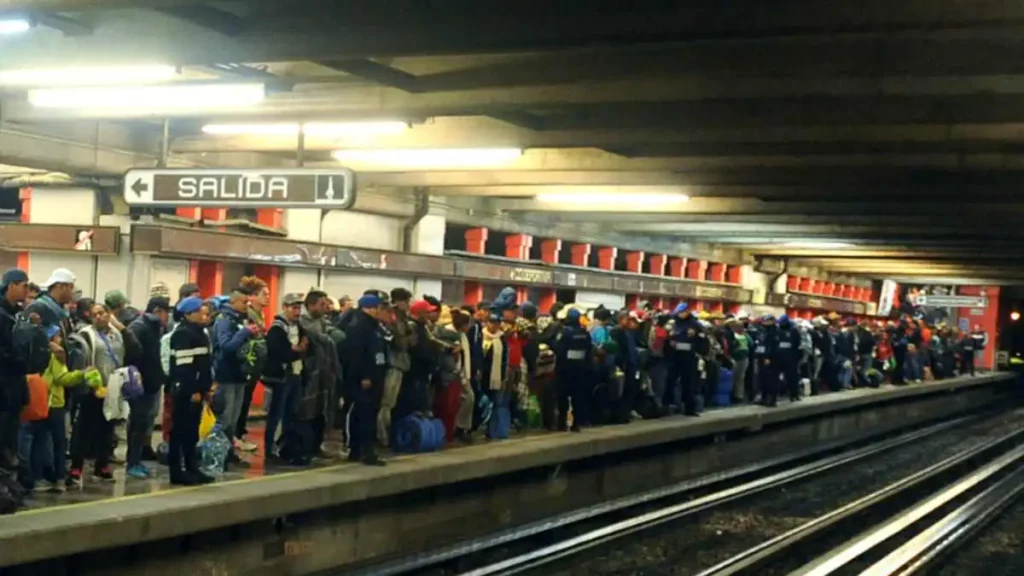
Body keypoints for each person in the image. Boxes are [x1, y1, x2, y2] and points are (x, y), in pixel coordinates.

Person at [20, 325, 100, 493]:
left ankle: (35, 477)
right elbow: (62, 378)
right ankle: (58, 478)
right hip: (54, 404)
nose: (60, 340)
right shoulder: (55, 357)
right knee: (58, 443)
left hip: (37, 404)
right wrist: (82, 373)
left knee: (38, 443)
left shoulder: (34, 354)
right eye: (57, 336)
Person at [69, 302, 141, 485]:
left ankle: (102, 466)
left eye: (102, 313)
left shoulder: (115, 334)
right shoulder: (86, 334)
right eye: (95, 314)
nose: (99, 317)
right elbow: (83, 360)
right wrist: (92, 384)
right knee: (84, 429)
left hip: (112, 388)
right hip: (92, 388)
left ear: (110, 314)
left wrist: (122, 329)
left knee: (107, 428)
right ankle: (76, 467)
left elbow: (134, 350)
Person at [167, 297, 215, 485]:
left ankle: (192, 468)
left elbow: (203, 365)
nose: (203, 315)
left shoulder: (199, 332)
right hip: (186, 392)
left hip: (197, 391)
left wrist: (206, 388)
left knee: (191, 433)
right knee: (180, 431)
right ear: (188, 314)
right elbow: (183, 368)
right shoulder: (183, 334)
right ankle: (177, 471)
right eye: (199, 312)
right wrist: (193, 390)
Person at [124, 297, 171, 479]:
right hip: (140, 384)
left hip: (152, 383)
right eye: (166, 312)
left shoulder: (156, 328)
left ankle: (137, 459)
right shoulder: (139, 327)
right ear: (158, 311)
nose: (167, 317)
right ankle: (132, 461)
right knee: (137, 422)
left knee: (144, 422)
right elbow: (132, 353)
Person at [212, 287, 258, 467]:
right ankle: (218, 454)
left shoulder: (241, 320)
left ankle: (229, 452)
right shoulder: (224, 321)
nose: (247, 305)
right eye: (244, 302)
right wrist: (244, 333)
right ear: (233, 302)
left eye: (248, 302)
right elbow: (227, 347)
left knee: (234, 418)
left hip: (239, 376)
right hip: (226, 376)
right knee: (225, 418)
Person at [342, 294, 387, 466]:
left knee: (370, 414)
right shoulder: (358, 326)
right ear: (368, 308)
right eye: (377, 308)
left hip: (375, 376)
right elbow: (355, 354)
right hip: (363, 379)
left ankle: (363, 450)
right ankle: (361, 451)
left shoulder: (374, 326)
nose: (379, 311)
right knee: (362, 415)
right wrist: (363, 375)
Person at [263, 293, 308, 463]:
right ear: (284, 307)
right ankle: (271, 449)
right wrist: (295, 350)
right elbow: (279, 352)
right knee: (277, 414)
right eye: (293, 308)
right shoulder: (277, 328)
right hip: (281, 378)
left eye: (298, 308)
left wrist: (298, 350)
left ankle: (286, 448)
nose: (297, 312)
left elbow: (305, 348)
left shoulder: (299, 327)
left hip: (296, 375)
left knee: (291, 414)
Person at [0, 269, 31, 484]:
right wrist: (18, 357)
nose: (27, 291)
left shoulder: (17, 314)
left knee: (10, 438)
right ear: (10, 285)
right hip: (3, 386)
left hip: (14, 387)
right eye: (24, 285)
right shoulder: (3, 315)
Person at [235, 276, 270, 453]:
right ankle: (237, 436)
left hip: (255, 366)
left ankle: (240, 434)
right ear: (253, 296)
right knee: (240, 403)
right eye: (264, 294)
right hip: (246, 366)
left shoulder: (260, 315)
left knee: (245, 401)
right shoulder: (248, 316)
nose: (268, 297)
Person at [379, 287, 415, 447]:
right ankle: (381, 436)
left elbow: (412, 340)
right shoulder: (391, 318)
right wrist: (407, 338)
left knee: (391, 404)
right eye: (406, 301)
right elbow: (399, 342)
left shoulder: (403, 319)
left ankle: (385, 433)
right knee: (385, 403)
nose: (408, 305)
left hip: (401, 364)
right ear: (398, 301)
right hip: (391, 364)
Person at [553, 308, 591, 432]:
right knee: (578, 397)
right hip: (581, 370)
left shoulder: (564, 333)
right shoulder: (585, 333)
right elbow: (589, 351)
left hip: (565, 370)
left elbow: (557, 348)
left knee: (562, 397)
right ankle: (576, 424)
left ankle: (561, 424)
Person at [665, 303, 703, 416]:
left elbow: (701, 338)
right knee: (670, 381)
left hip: (689, 356)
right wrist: (669, 343)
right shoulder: (672, 323)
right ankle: (668, 406)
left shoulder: (694, 323)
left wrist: (696, 347)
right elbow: (665, 336)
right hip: (674, 356)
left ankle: (689, 408)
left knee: (688, 383)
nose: (682, 314)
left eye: (684, 312)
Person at [775, 315, 802, 402]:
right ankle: (780, 393)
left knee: (792, 376)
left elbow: (797, 343)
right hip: (779, 357)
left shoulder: (793, 330)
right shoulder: (778, 330)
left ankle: (794, 394)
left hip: (791, 357)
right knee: (777, 376)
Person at [725, 318, 751, 404]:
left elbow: (731, 346)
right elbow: (751, 344)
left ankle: (737, 396)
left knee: (737, 378)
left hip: (738, 358)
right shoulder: (745, 335)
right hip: (743, 358)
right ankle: (738, 395)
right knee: (739, 378)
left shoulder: (733, 335)